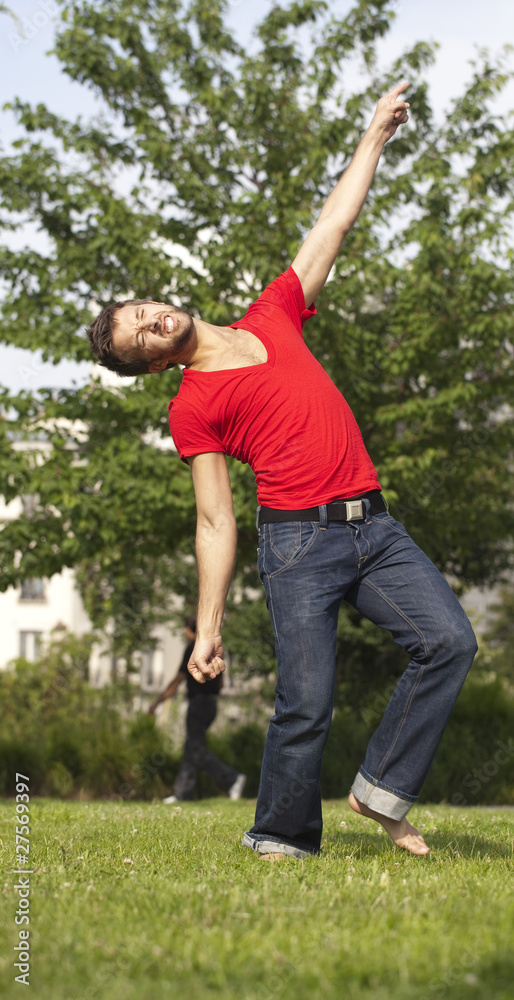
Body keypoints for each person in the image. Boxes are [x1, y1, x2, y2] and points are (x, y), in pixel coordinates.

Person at [87, 81, 478, 860]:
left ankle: (378, 792)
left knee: (450, 642)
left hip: (377, 528)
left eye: (145, 310)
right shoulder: (192, 406)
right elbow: (213, 520)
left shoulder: (272, 311)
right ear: (155, 363)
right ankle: (279, 837)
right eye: (142, 335)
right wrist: (208, 624)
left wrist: (373, 135)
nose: (154, 320)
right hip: (297, 546)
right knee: (305, 703)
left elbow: (332, 225)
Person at [149, 615, 246, 803]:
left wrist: (158, 702)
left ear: (188, 629)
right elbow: (222, 682)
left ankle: (232, 778)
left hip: (198, 704)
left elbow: (177, 681)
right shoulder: (213, 651)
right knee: (191, 746)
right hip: (211, 704)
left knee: (195, 750)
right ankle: (182, 793)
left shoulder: (192, 649)